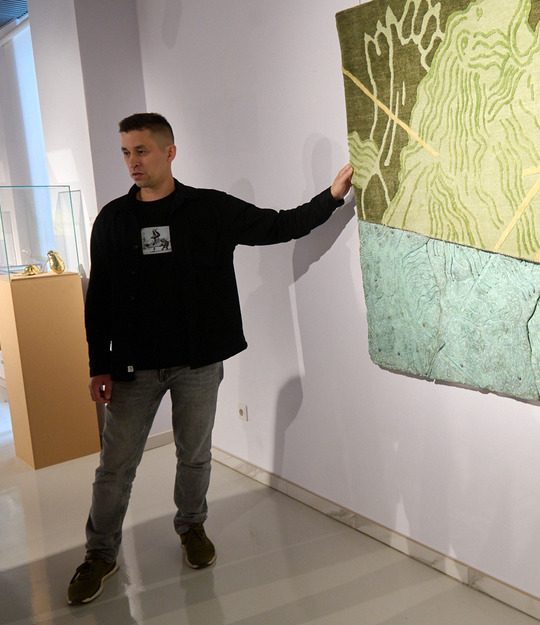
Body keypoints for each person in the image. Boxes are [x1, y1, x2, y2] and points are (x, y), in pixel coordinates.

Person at [67, 113, 353, 605]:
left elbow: (278, 225)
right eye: (126, 152)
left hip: (196, 363)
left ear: (169, 152)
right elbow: (101, 300)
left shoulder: (208, 209)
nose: (133, 162)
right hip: (133, 367)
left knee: (195, 455)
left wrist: (331, 197)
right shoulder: (113, 219)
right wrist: (99, 363)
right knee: (115, 467)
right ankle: (100, 553)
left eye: (142, 151)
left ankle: (192, 527)